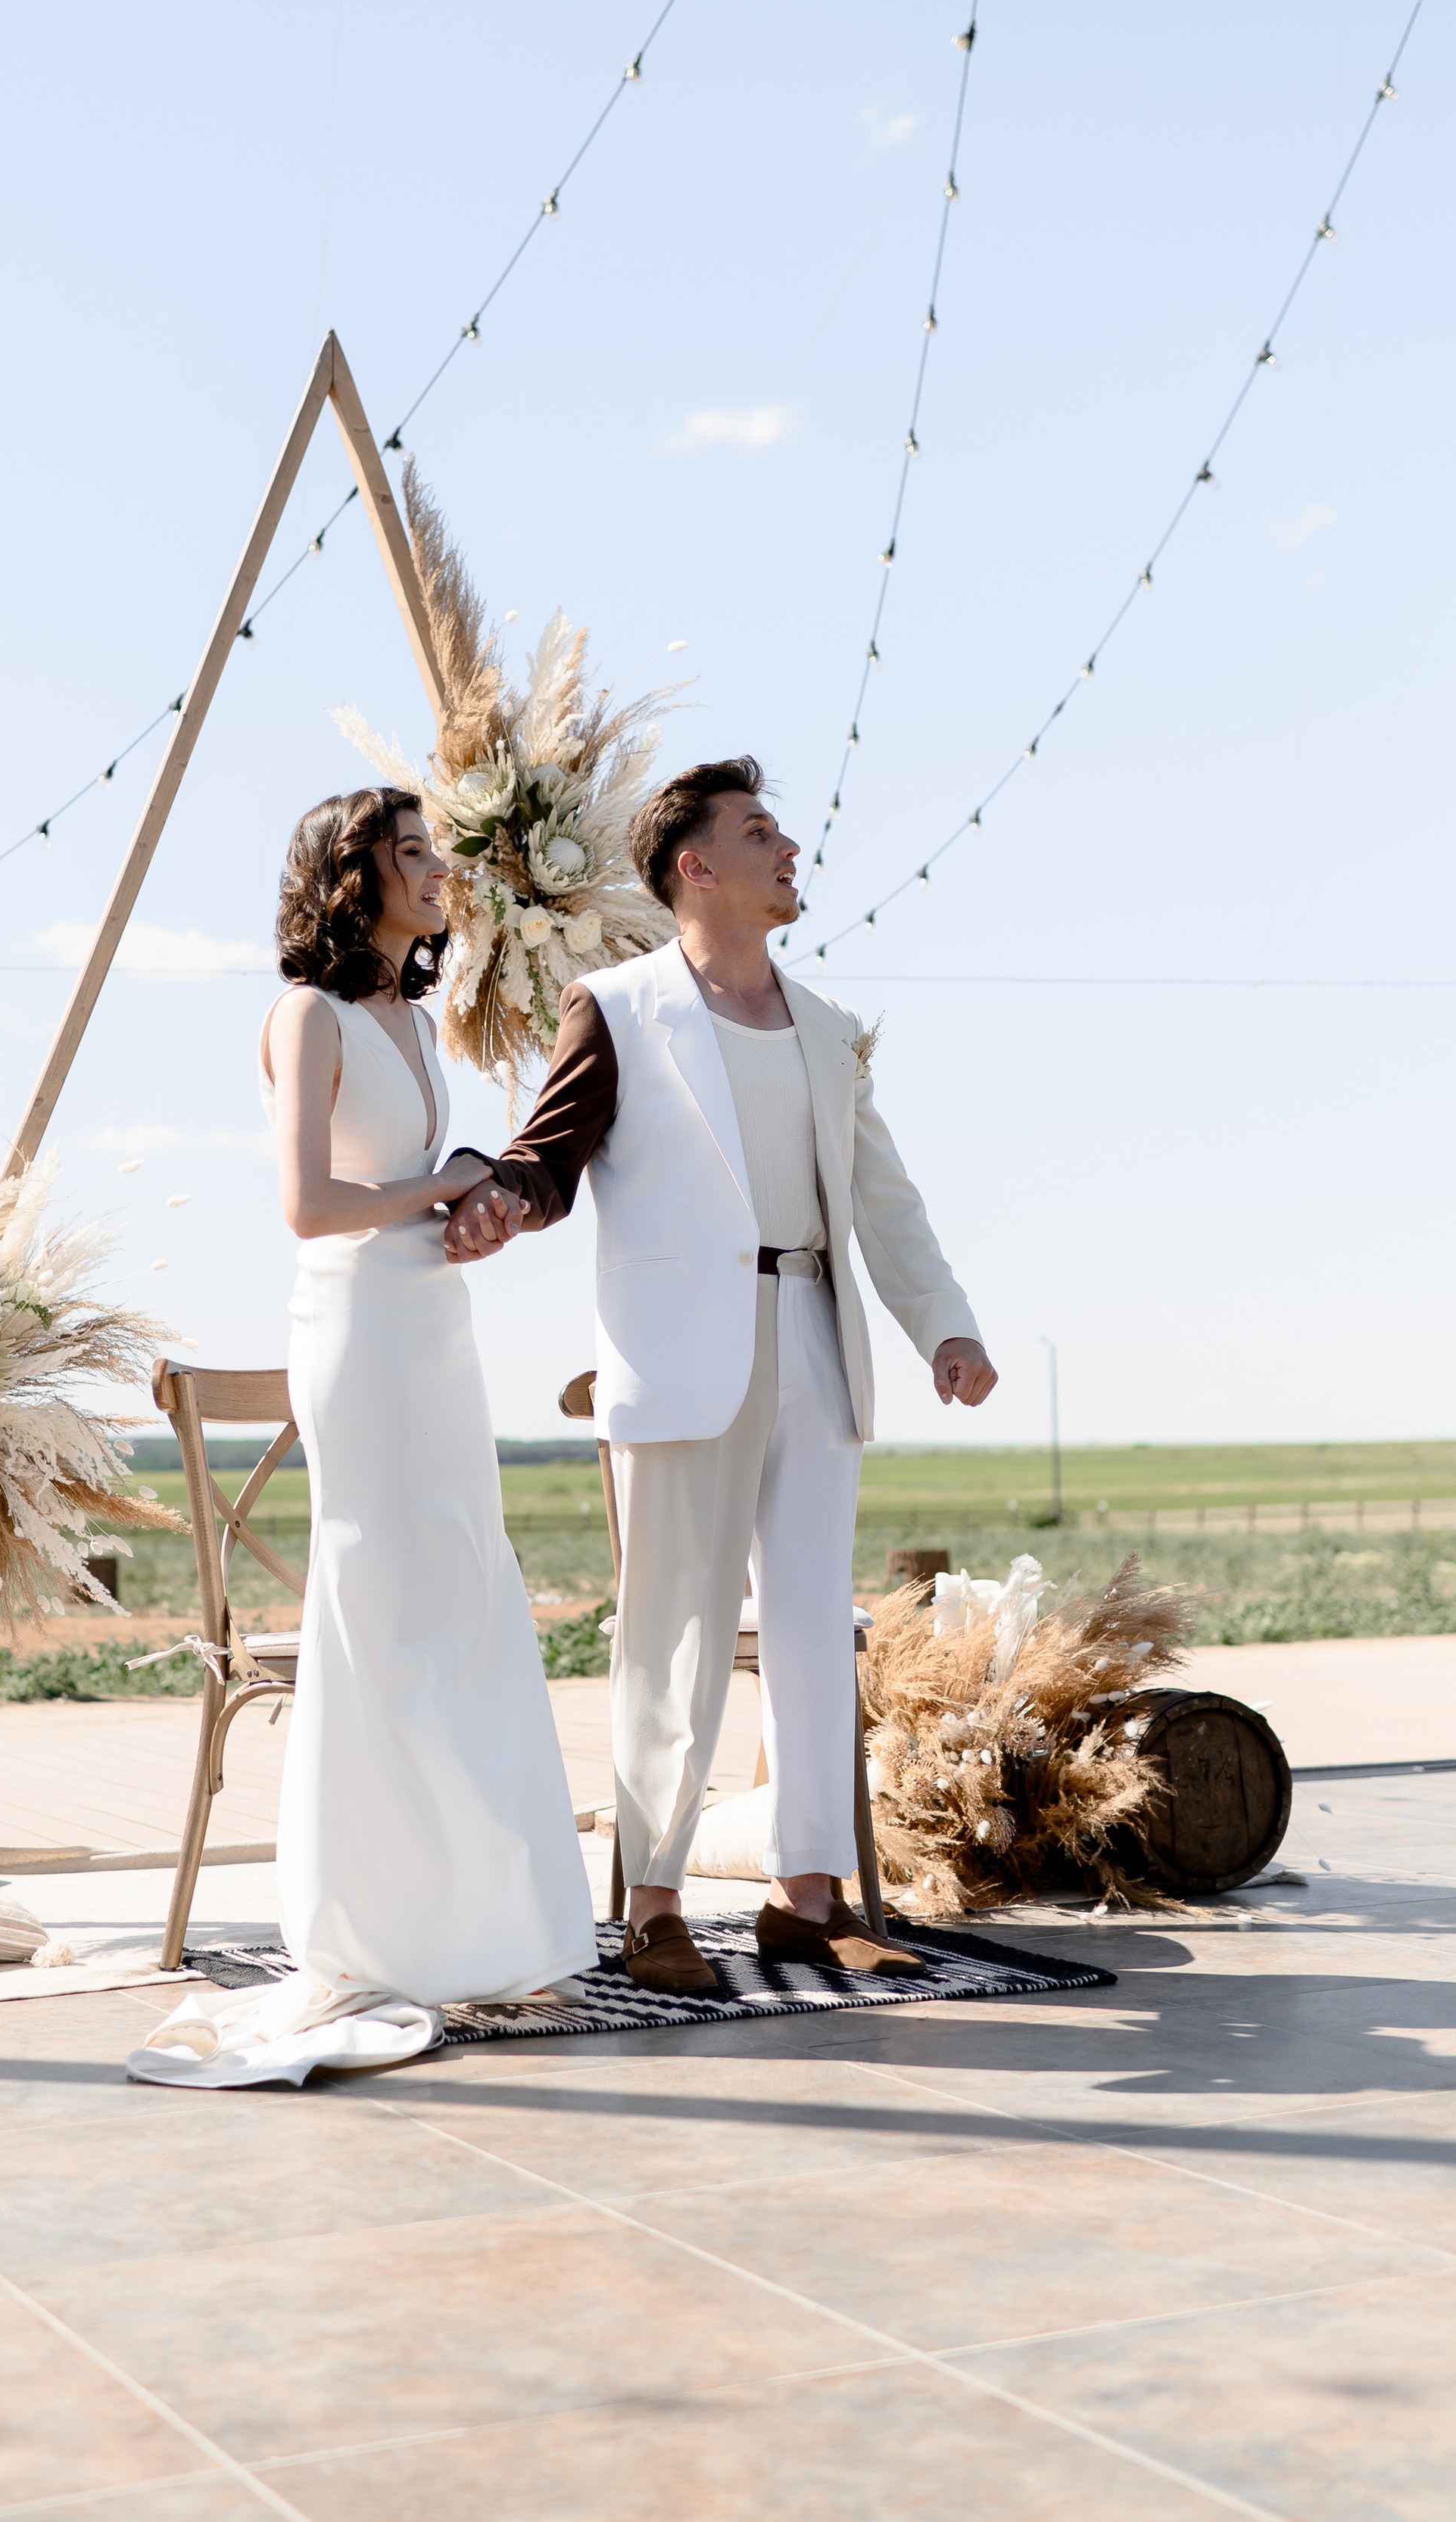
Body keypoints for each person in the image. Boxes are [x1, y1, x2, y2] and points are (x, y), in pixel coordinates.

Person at [443, 757, 997, 1994]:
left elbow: (885, 1201)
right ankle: (653, 1904)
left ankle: (809, 1898)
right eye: (760, 833)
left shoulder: (830, 1029)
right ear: (695, 867)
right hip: (683, 1353)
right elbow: (552, 1153)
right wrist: (499, 1203)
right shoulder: (620, 1004)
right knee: (673, 1634)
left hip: (814, 1330)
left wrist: (943, 1329)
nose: (788, 848)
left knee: (810, 1629)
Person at [133, 787, 596, 2087]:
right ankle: (378, 1924)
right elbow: (306, 1204)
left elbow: (401, 1196)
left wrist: (468, 1208)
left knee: (461, 1591)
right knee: (385, 1606)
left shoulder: (410, 1011)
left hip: (435, 1326)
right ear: (352, 878)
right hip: (357, 1329)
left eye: (432, 850)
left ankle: (486, 1918)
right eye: (410, 854)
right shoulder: (309, 1014)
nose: (436, 871)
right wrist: (439, 1182)